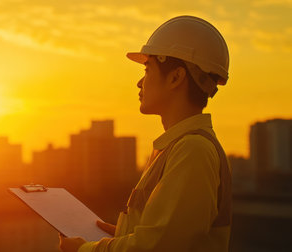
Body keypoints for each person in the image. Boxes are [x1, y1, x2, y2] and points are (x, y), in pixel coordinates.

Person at [59, 15, 232, 252]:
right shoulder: (174, 148)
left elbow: (160, 247)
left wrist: (85, 250)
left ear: (176, 77)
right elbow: (163, 235)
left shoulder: (193, 150)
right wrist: (121, 237)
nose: (140, 83)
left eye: (148, 69)